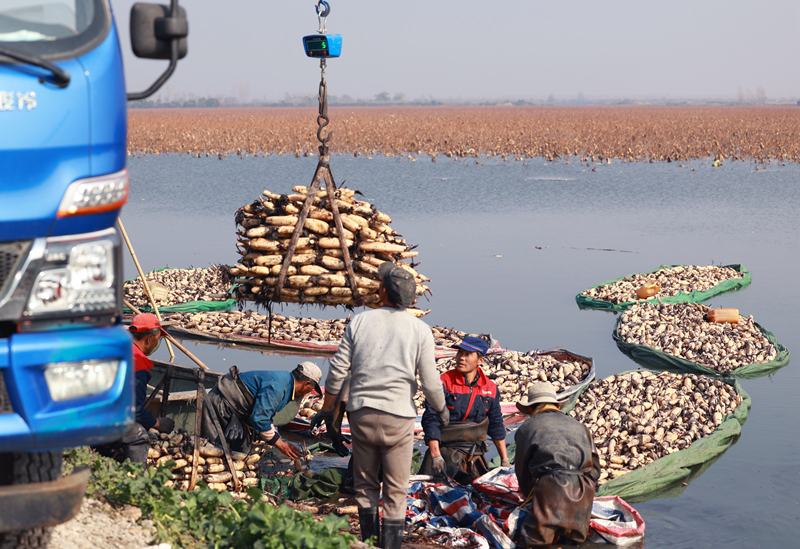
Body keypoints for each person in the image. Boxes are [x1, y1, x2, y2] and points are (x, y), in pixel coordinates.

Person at [311, 261, 449, 549]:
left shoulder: (361, 322)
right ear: (410, 298)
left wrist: (327, 408)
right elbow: (431, 382)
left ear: (384, 291)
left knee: (366, 487)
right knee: (396, 491)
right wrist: (442, 409)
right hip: (398, 418)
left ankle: (371, 543)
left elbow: (337, 371)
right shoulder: (420, 330)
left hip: (361, 414)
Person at [513, 382, 600, 547]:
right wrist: (586, 492)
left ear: (531, 409)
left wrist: (530, 497)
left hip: (550, 489)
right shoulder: (580, 426)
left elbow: (522, 472)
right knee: (573, 544)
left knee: (534, 543)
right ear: (558, 405)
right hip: (583, 492)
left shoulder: (527, 428)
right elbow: (595, 470)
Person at [419, 336, 510, 483]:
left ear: (480, 360)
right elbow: (431, 419)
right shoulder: (444, 382)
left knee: (478, 496)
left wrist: (505, 461)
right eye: (460, 353)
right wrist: (436, 455)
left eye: (467, 354)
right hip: (444, 453)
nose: (461, 358)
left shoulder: (490, 388)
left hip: (474, 456)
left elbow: (496, 426)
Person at [201, 362, 322, 460]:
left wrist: (277, 437)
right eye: (311, 388)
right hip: (220, 403)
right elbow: (259, 419)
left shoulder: (286, 383)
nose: (309, 392)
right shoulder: (278, 387)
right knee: (212, 450)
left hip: (237, 411)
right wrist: (280, 444)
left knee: (241, 454)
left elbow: (266, 416)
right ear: (307, 384)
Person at [96, 313, 174, 464]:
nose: (156, 345)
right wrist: (157, 423)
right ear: (149, 339)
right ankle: (136, 479)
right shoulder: (137, 363)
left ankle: (102, 455)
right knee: (137, 435)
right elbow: (134, 412)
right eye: (157, 341)